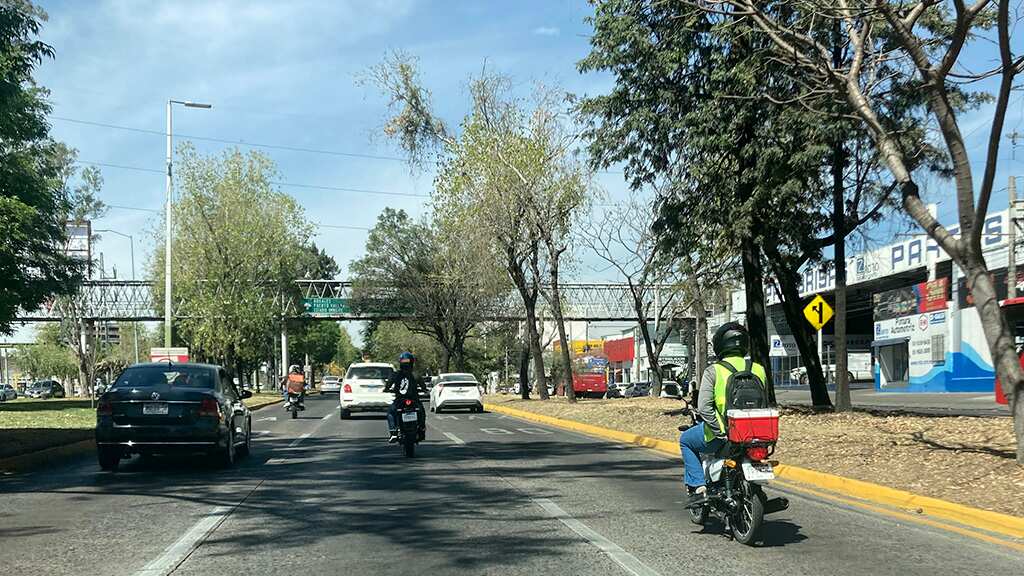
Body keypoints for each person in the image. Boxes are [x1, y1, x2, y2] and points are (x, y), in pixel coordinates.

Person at [679, 322, 766, 506]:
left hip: (724, 435)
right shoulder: (758, 369)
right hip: (755, 435)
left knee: (686, 440)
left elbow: (704, 407)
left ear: (719, 345)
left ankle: (698, 486)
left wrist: (721, 432)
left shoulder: (714, 370)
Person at [384, 351, 427, 443]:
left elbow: (388, 386)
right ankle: (422, 428)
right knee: (421, 411)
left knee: (391, 412)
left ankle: (393, 432)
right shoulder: (416, 375)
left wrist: (387, 389)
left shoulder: (395, 374)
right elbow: (424, 387)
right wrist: (424, 390)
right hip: (414, 400)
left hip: (400, 401)